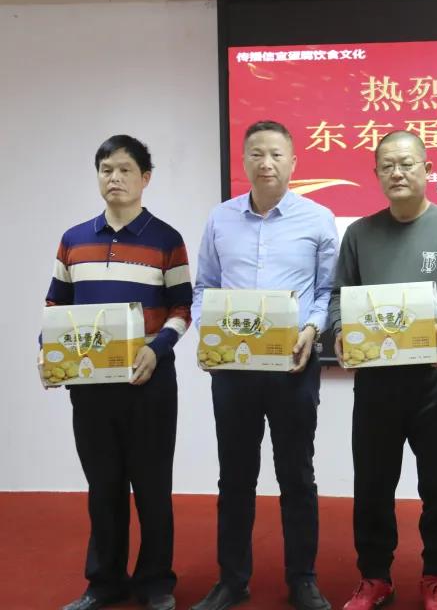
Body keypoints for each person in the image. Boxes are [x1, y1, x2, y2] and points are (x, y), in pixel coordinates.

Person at [328, 131, 437, 610]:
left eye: (407, 164)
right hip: (376, 381)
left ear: (427, 169)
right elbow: (338, 295)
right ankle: (374, 577)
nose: (397, 173)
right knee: (372, 485)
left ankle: (436, 574)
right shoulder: (359, 233)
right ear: (376, 173)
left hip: (434, 378)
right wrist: (340, 330)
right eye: (387, 166)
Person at [190, 120, 338, 610]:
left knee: (297, 474)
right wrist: (207, 331)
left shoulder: (318, 219)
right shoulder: (220, 219)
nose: (266, 163)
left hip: (294, 365)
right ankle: (232, 579)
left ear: (293, 162)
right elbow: (204, 287)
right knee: (235, 476)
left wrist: (312, 328)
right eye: (256, 153)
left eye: (276, 154)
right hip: (233, 371)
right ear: (244, 161)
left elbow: (327, 290)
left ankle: (303, 579)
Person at [42, 135, 192, 610]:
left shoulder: (167, 239)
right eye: (106, 169)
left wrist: (157, 349)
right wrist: (48, 352)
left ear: (145, 178)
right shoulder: (74, 239)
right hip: (90, 386)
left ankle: (155, 582)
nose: (115, 178)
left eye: (125, 169)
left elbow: (182, 308)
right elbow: (56, 305)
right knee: (103, 487)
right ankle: (104, 581)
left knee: (152, 488)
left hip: (149, 383)